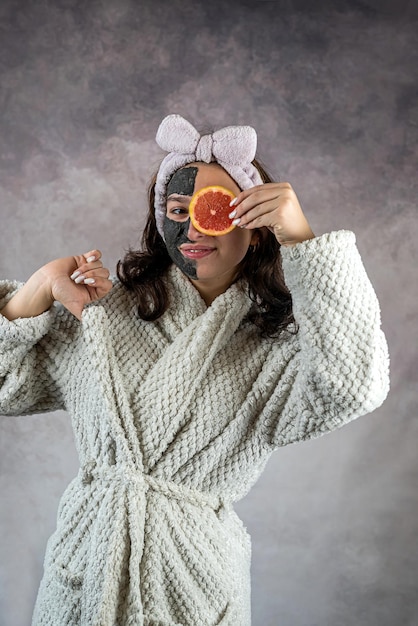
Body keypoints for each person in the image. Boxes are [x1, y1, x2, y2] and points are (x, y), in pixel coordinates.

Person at [0, 114, 389, 626]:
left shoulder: (276, 346)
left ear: (256, 226)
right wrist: (39, 288)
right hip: (83, 575)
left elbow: (353, 385)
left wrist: (303, 241)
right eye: (175, 209)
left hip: (192, 583)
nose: (192, 228)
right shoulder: (102, 313)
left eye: (217, 210)